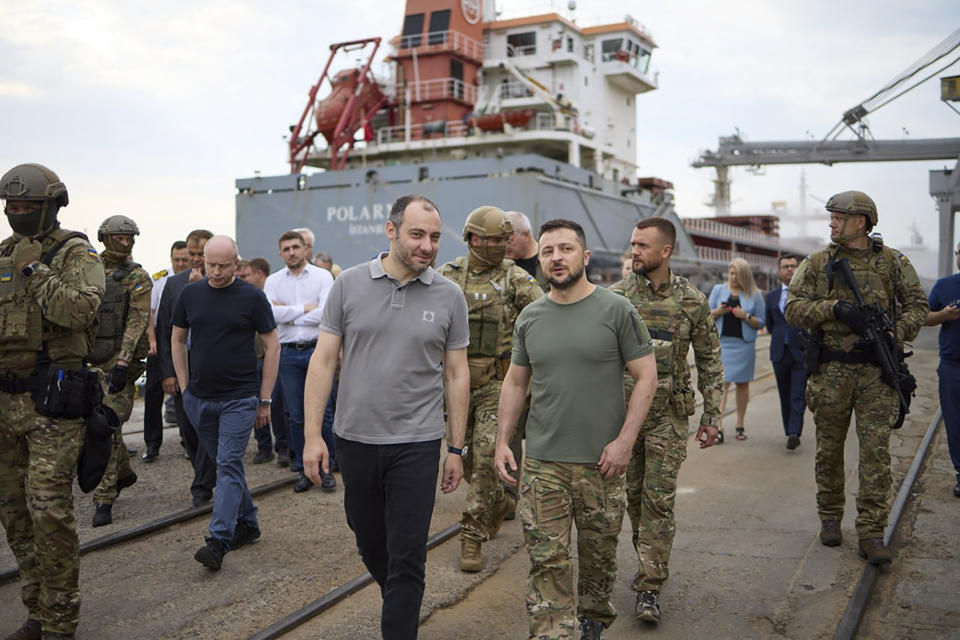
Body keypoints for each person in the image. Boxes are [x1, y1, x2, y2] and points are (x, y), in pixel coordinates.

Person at [302, 194, 470, 640]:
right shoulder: (349, 285)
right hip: (355, 439)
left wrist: (456, 447)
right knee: (370, 542)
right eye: (417, 235)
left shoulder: (450, 296)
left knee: (409, 555)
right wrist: (311, 436)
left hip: (417, 442)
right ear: (391, 231)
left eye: (435, 237)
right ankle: (398, 597)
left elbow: (456, 373)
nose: (428, 246)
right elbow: (322, 362)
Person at [495, 219, 657, 640]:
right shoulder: (530, 317)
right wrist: (501, 443)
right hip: (544, 465)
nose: (556, 258)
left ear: (584, 257)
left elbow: (647, 378)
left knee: (598, 558)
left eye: (565, 249)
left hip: (601, 465)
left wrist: (624, 443)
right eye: (547, 251)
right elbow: (515, 382)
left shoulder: (617, 310)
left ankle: (592, 619)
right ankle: (553, 632)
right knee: (547, 562)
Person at [786, 190, 928, 565]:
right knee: (829, 452)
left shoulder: (892, 262)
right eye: (831, 217)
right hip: (831, 372)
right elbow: (793, 309)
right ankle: (830, 518)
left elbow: (918, 305)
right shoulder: (817, 263)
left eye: (837, 217)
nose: (831, 223)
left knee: (876, 454)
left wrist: (898, 331)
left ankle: (871, 531)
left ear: (860, 222)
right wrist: (834, 308)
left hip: (876, 373)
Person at [0, 163, 105, 640]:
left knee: (49, 513)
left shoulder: (75, 253)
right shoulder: (2, 255)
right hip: (5, 406)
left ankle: (62, 622)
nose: (16, 214)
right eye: (10, 207)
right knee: (15, 515)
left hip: (52, 405)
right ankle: (37, 612)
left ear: (50, 207)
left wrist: (33, 267)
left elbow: (79, 311)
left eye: (25, 207)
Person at [608, 217, 722, 624]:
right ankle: (647, 557)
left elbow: (709, 359)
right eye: (632, 244)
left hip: (668, 420)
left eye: (641, 245)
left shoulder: (691, 300)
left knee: (659, 500)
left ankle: (649, 585)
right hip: (621, 420)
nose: (633, 251)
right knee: (632, 500)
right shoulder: (615, 298)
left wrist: (713, 414)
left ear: (665, 251)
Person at [437, 206, 544, 572]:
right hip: (455, 389)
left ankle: (471, 535)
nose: (501, 245)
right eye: (495, 239)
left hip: (496, 388)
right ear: (473, 239)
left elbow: (545, 315)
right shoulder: (447, 277)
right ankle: (498, 502)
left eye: (505, 239)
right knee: (465, 462)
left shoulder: (515, 278)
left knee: (484, 461)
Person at [172, 235, 279, 571]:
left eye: (223, 265)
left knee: (229, 464)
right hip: (199, 398)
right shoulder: (190, 294)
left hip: (240, 398)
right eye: (209, 265)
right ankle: (248, 522)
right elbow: (176, 338)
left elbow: (273, 346)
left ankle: (219, 540)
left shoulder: (252, 297)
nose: (215, 272)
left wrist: (264, 398)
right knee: (225, 465)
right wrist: (186, 388)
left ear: (237, 263)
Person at [88, 215, 152, 527]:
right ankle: (123, 473)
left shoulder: (137, 276)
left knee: (107, 426)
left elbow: (137, 322)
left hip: (119, 366)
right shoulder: (88, 271)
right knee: (98, 427)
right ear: (105, 238)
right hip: (88, 362)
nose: (126, 243)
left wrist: (124, 362)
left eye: (130, 238)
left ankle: (104, 498)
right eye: (120, 237)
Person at [264, 230, 336, 492]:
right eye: (287, 249)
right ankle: (302, 469)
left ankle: (326, 469)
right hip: (288, 353)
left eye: (296, 247)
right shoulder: (272, 281)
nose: (292, 252)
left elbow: (326, 315)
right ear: (280, 252)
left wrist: (288, 314)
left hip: (318, 351)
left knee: (324, 412)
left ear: (306, 249)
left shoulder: (322, 276)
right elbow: (270, 315)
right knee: (295, 415)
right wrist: (306, 308)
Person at [157, 229, 217, 508]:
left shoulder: (222, 283)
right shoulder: (173, 285)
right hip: (181, 368)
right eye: (191, 254)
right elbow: (164, 331)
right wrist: (166, 372)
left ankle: (202, 486)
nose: (195, 260)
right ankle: (204, 473)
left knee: (207, 427)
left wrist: (201, 288)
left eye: (200, 254)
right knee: (187, 429)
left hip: (212, 368)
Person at [237, 257, 290, 465]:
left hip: (272, 358)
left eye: (245, 275)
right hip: (251, 360)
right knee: (255, 405)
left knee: (276, 405)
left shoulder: (274, 292)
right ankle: (264, 446)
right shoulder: (243, 298)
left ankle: (283, 447)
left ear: (259, 274)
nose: (242, 279)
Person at [708, 257, 765, 442]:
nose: (733, 277)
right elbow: (705, 317)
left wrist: (745, 315)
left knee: (742, 385)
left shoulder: (755, 294)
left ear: (745, 275)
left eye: (737, 274)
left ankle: (740, 424)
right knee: (721, 385)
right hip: (723, 345)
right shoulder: (718, 290)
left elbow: (761, 322)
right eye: (731, 273)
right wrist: (718, 311)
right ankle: (718, 426)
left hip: (744, 346)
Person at [142, 240, 189, 462]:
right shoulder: (160, 278)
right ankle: (152, 443)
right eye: (176, 259)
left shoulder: (192, 278)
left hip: (181, 342)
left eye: (184, 260)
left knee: (183, 393)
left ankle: (187, 440)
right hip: (160, 342)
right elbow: (151, 313)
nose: (180, 263)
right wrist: (152, 341)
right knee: (152, 393)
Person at [923, 241, 960, 497]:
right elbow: (924, 317)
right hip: (952, 365)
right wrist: (944, 315)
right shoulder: (944, 286)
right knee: (955, 423)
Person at [765, 254, 808, 451]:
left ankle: (794, 432)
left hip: (801, 352)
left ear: (798, 270)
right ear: (779, 271)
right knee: (785, 394)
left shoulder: (806, 295)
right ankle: (788, 430)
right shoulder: (772, 296)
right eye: (785, 267)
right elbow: (770, 324)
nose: (789, 270)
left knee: (798, 394)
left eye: (792, 266)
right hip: (779, 352)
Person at [505, 210, 548, 289]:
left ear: (525, 235)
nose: (505, 247)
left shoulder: (548, 260)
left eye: (509, 241)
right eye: (500, 241)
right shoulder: (504, 264)